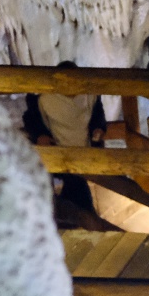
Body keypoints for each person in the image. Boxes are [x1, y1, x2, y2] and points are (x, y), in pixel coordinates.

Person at [24, 60, 107, 214]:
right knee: (75, 185)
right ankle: (83, 216)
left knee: (76, 185)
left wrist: (98, 128)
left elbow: (97, 115)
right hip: (60, 151)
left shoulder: (90, 95)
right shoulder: (45, 98)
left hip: (84, 149)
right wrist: (40, 134)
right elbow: (31, 118)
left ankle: (78, 216)